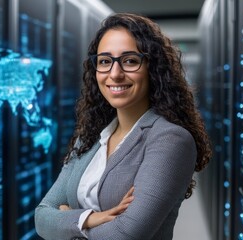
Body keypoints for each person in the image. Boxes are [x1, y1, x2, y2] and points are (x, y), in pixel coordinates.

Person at [34, 13, 212, 240]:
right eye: (105, 61)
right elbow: (41, 217)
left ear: (153, 69)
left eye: (129, 61)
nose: (115, 74)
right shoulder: (89, 138)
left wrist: (68, 221)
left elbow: (126, 235)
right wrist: (88, 218)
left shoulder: (170, 139)